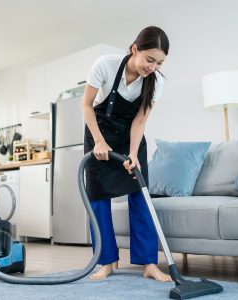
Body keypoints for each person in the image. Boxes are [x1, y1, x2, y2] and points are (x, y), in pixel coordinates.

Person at [81, 26, 171, 282]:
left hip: (130, 137)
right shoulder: (105, 66)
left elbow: (140, 121)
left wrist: (133, 153)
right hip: (99, 132)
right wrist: (98, 141)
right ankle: (106, 261)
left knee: (140, 195)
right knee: (98, 196)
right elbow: (86, 105)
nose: (153, 67)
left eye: (160, 62)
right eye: (149, 59)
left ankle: (149, 263)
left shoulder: (157, 82)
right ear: (135, 50)